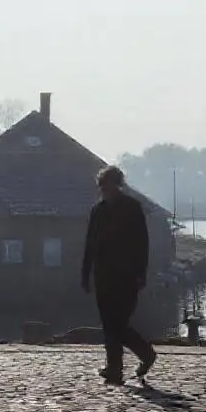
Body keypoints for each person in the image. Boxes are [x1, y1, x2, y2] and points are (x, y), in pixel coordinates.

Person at [81, 164, 157, 385]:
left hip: (126, 276)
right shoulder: (98, 211)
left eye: (108, 186)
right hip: (103, 276)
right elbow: (90, 245)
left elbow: (142, 243)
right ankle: (115, 368)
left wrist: (140, 273)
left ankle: (144, 354)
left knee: (118, 324)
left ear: (118, 185)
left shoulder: (132, 208)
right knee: (109, 324)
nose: (105, 191)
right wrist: (85, 274)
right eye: (102, 187)